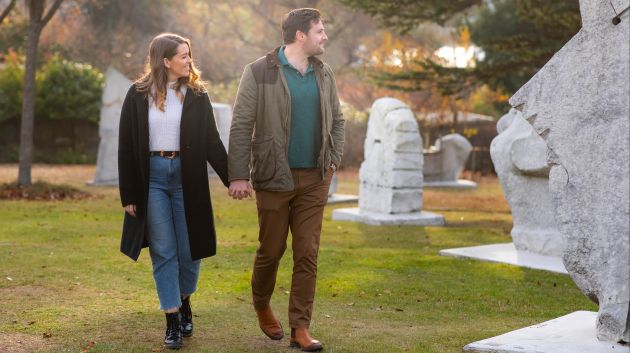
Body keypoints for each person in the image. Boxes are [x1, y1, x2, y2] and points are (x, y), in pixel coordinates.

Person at [228, 8, 345, 352]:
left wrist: (333, 159)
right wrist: (238, 174)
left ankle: (300, 327)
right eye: (319, 31)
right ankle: (262, 303)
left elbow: (338, 120)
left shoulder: (324, 73)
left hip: (315, 178)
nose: (324, 37)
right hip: (273, 177)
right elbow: (240, 124)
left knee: (307, 252)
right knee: (271, 250)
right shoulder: (259, 71)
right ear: (300, 35)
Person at [117, 33, 229, 350]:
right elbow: (126, 146)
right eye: (182, 55)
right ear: (165, 61)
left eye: (189, 54)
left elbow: (212, 142)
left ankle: (183, 299)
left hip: (187, 177)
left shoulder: (196, 95)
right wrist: (129, 195)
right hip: (150, 178)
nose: (188, 60)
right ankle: (172, 320)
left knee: (190, 249)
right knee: (163, 250)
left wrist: (233, 178)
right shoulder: (137, 94)